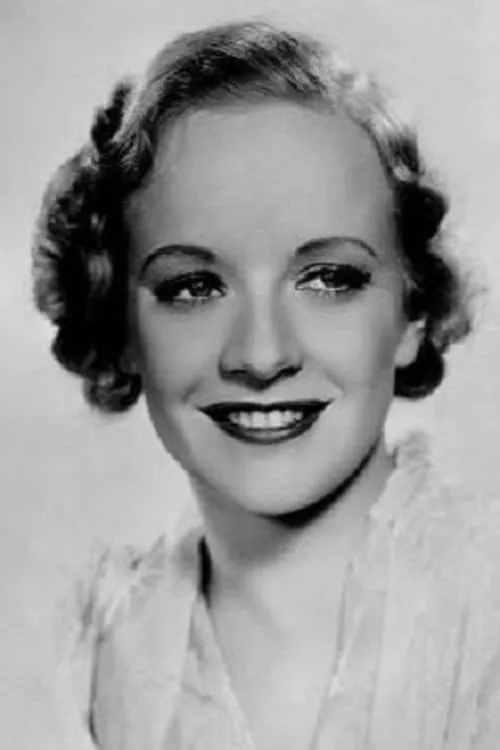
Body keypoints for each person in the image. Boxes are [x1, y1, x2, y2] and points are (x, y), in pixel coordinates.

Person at [32, 19, 500, 750]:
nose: (261, 354)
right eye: (192, 287)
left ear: (412, 311)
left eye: (329, 278)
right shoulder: (86, 663)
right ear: (119, 325)